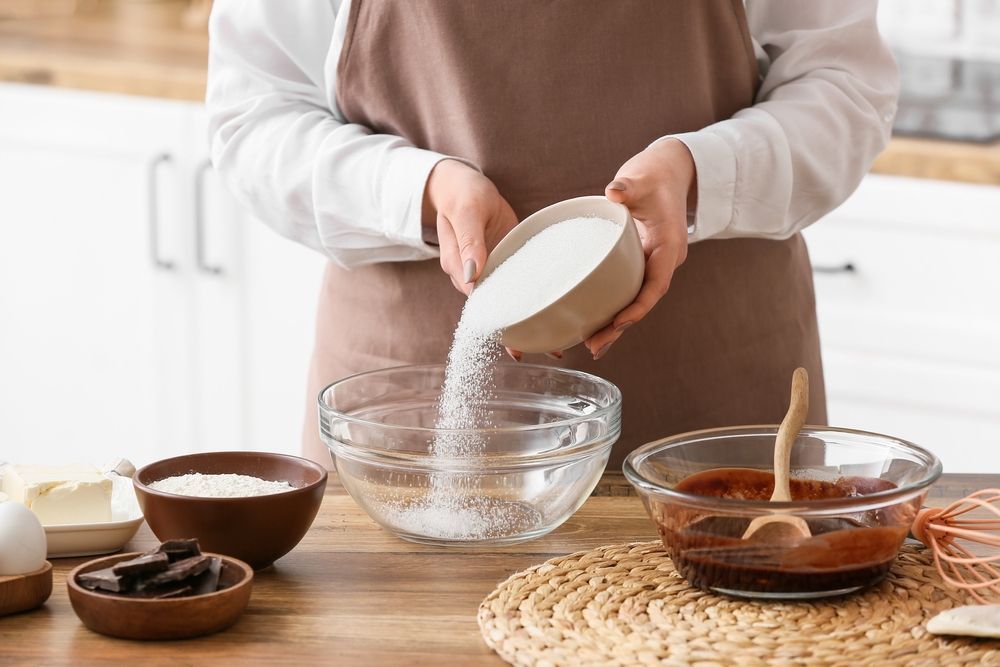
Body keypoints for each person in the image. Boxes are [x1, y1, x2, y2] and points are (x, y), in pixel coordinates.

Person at [206, 1, 899, 469]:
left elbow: (843, 86)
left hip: (715, 418)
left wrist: (702, 173)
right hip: (411, 419)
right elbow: (254, 118)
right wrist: (417, 191)